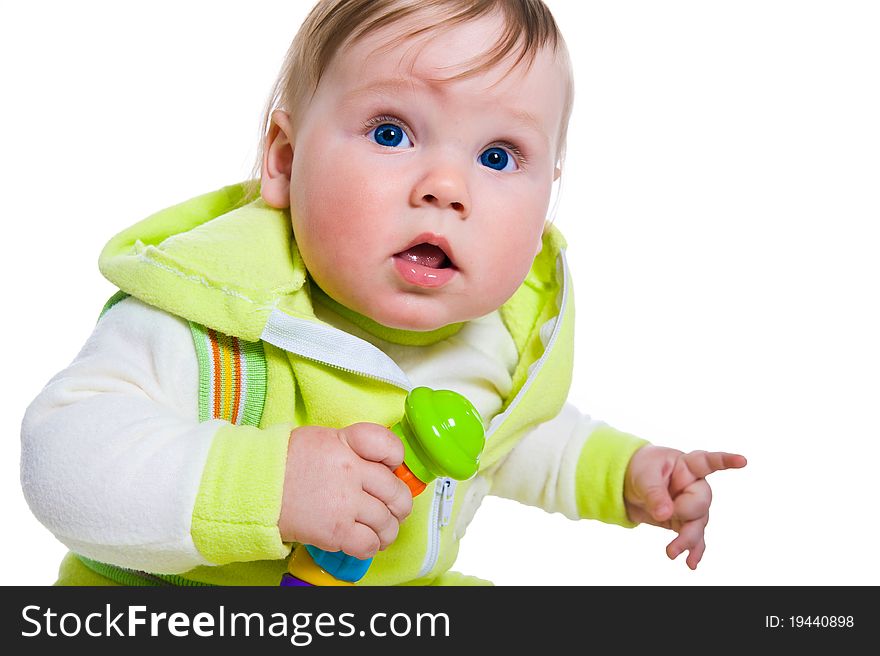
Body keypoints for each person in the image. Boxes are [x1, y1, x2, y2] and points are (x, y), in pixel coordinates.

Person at [20, 0, 746, 586]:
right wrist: (268, 487)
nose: (446, 188)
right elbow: (64, 460)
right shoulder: (213, 315)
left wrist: (624, 474)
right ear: (284, 159)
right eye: (392, 132)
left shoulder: (495, 336)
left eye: (498, 156)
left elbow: (513, 440)